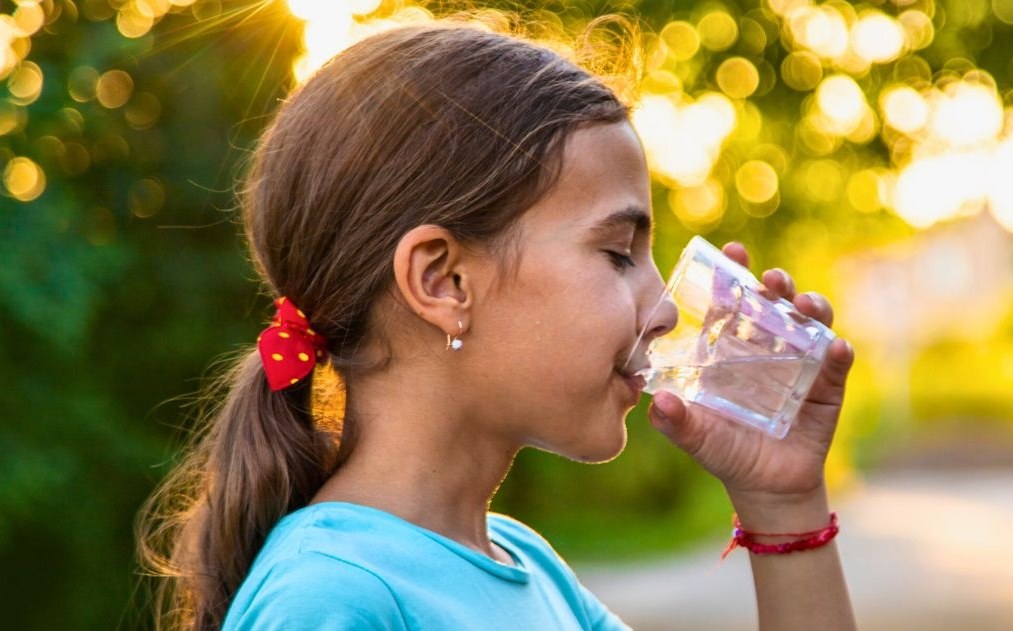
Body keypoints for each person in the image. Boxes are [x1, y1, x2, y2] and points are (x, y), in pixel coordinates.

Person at [138, 18, 857, 631]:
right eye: (617, 253)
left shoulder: (527, 565)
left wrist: (784, 507)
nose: (664, 306)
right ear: (443, 281)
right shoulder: (333, 597)